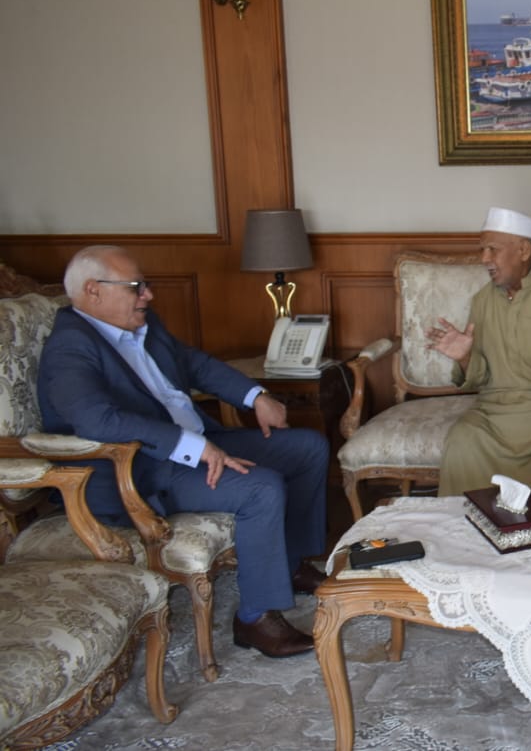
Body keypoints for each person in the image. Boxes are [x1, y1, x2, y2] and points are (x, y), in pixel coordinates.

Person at [38, 245, 329, 658]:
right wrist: (190, 446)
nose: (148, 295)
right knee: (261, 488)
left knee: (308, 447)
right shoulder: (70, 347)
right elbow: (95, 420)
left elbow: (194, 364)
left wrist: (255, 396)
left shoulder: (142, 322)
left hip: (198, 441)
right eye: (136, 287)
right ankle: (255, 619)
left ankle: (289, 562)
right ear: (93, 291)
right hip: (141, 468)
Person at [427, 207, 531, 496]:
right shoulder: (482, 301)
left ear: (523, 251)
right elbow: (479, 377)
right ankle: (474, 524)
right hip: (495, 412)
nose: (484, 259)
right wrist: (465, 357)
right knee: (461, 439)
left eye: (493, 249)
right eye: (482, 250)